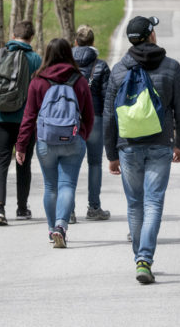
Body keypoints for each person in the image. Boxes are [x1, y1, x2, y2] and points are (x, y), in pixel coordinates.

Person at [104, 15, 180, 285]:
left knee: (134, 204)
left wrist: (111, 154)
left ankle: (140, 259)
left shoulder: (119, 70)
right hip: (160, 143)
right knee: (153, 202)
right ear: (151, 35)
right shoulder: (171, 67)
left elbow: (109, 115)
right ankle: (145, 258)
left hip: (128, 146)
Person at [15, 38, 94, 248]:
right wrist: (82, 136)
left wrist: (21, 146)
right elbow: (89, 115)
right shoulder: (79, 80)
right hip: (73, 139)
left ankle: (51, 230)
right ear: (69, 54)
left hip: (45, 142)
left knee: (51, 186)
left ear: (47, 54)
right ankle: (61, 226)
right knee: (67, 185)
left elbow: (29, 116)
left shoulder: (38, 80)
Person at [0, 20, 42, 226]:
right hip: (25, 119)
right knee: (23, 162)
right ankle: (22, 207)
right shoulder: (35, 59)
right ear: (31, 37)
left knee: (0, 160)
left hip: (0, 117)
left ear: (13, 34)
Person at [72, 25, 111, 221]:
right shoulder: (101, 66)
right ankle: (94, 207)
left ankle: (68, 209)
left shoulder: (66, 63)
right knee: (95, 163)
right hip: (95, 117)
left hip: (70, 119)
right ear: (93, 43)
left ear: (76, 42)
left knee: (70, 164)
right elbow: (107, 97)